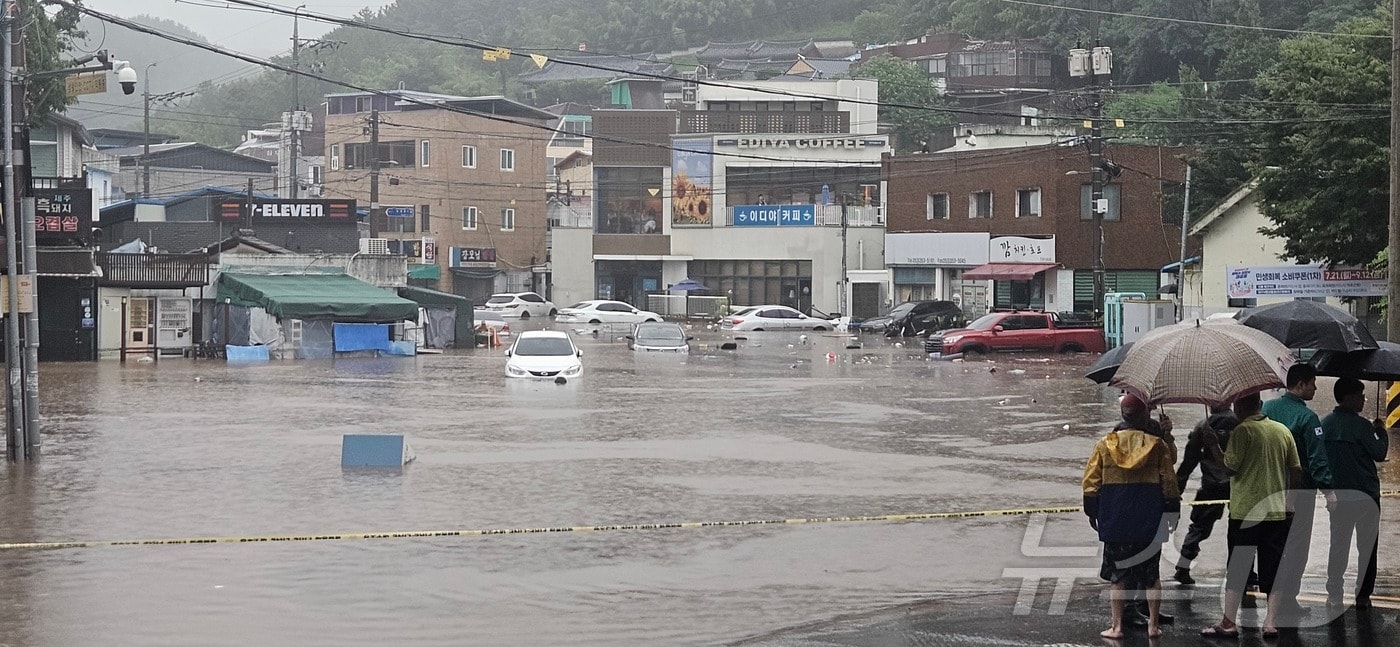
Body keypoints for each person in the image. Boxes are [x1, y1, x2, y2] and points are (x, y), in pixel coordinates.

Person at [1200, 393, 1301, 639]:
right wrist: (1290, 502)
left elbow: (1228, 468)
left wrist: (1213, 444)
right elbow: (1296, 470)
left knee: (1238, 568)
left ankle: (1228, 623)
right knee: (1273, 567)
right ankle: (1270, 623)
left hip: (1245, 512)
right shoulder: (1282, 430)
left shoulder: (1242, 432)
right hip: (1276, 512)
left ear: (1240, 405)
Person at [1083, 393, 1181, 639]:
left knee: (1118, 576)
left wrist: (1092, 512)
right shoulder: (1157, 445)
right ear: (1145, 415)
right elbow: (1170, 482)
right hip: (1149, 521)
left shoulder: (1105, 444)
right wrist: (1172, 513)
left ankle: (1117, 627)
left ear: (1122, 415)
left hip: (1115, 521)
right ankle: (1153, 626)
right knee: (1151, 576)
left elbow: (1091, 483)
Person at [1261, 363, 1337, 619]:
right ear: (1301, 384)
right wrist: (1329, 492)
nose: (1316, 387)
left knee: (1272, 544)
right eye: (1313, 383)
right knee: (1296, 547)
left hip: (1268, 489)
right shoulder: (1308, 418)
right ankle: (1287, 599)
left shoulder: (1266, 409)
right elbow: (1317, 460)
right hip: (1300, 493)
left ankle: (1272, 598)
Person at [1322, 378, 1389, 610]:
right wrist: (1381, 430)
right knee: (1367, 548)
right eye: (1361, 395)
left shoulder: (1325, 425)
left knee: (1338, 546)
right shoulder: (1362, 427)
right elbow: (1379, 453)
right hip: (1366, 497)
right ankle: (1362, 596)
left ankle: (1334, 594)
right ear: (1348, 397)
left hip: (1339, 498)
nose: (1364, 399)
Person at [1173, 403, 1240, 585]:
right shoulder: (1241, 424)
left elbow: (1189, 462)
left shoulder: (1203, 426)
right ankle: (1243, 571)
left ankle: (1184, 565)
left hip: (1211, 484)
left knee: (1200, 526)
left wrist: (1177, 489)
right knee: (1241, 528)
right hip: (1237, 484)